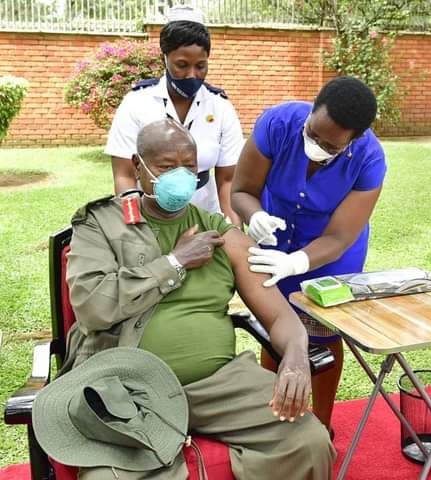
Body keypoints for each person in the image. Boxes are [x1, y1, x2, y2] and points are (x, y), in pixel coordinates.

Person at [62, 118, 334, 479]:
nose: (181, 177)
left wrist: (296, 358)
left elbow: (280, 316)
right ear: (137, 167)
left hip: (219, 384)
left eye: (189, 167)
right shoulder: (102, 226)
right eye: (166, 167)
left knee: (307, 441)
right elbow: (93, 308)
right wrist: (175, 262)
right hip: (128, 389)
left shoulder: (220, 232)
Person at [230, 76, 386, 433]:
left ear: (354, 139)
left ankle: (322, 423)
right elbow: (242, 189)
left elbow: (340, 235)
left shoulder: (369, 159)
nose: (315, 146)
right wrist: (253, 216)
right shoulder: (278, 123)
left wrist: (297, 262)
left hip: (332, 253)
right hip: (273, 236)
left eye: (330, 146)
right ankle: (271, 414)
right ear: (312, 110)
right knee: (276, 326)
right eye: (312, 134)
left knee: (324, 334)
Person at [105, 5, 243, 224]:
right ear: (165, 59)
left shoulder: (220, 107)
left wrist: (233, 228)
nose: (192, 75)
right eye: (181, 65)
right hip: (149, 215)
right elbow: (125, 175)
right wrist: (133, 225)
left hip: (205, 215)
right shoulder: (137, 103)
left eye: (201, 66)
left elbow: (227, 180)